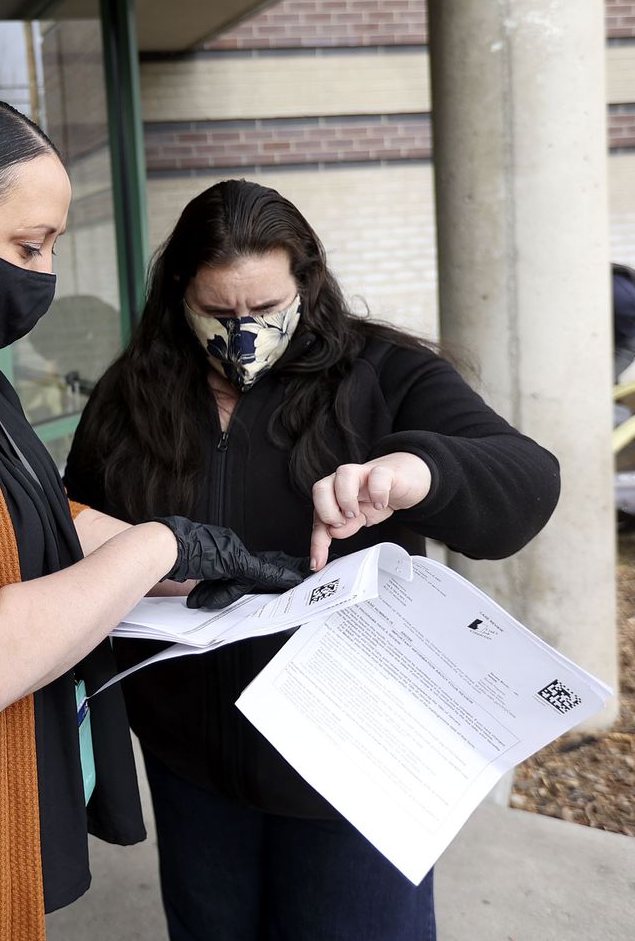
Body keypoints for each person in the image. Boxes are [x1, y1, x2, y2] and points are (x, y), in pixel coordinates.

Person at [0, 95, 305, 941]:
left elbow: (24, 508)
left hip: (2, 791)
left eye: (53, 246)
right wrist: (159, 541)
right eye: (26, 245)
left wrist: (193, 556)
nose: (43, 271)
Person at [64, 179, 562, 941]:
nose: (243, 332)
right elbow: (78, 529)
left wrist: (415, 472)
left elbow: (526, 482)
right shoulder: (130, 396)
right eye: (218, 312)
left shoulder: (382, 373)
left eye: (265, 310)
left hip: (358, 763)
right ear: (177, 295)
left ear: (308, 283)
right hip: (194, 768)